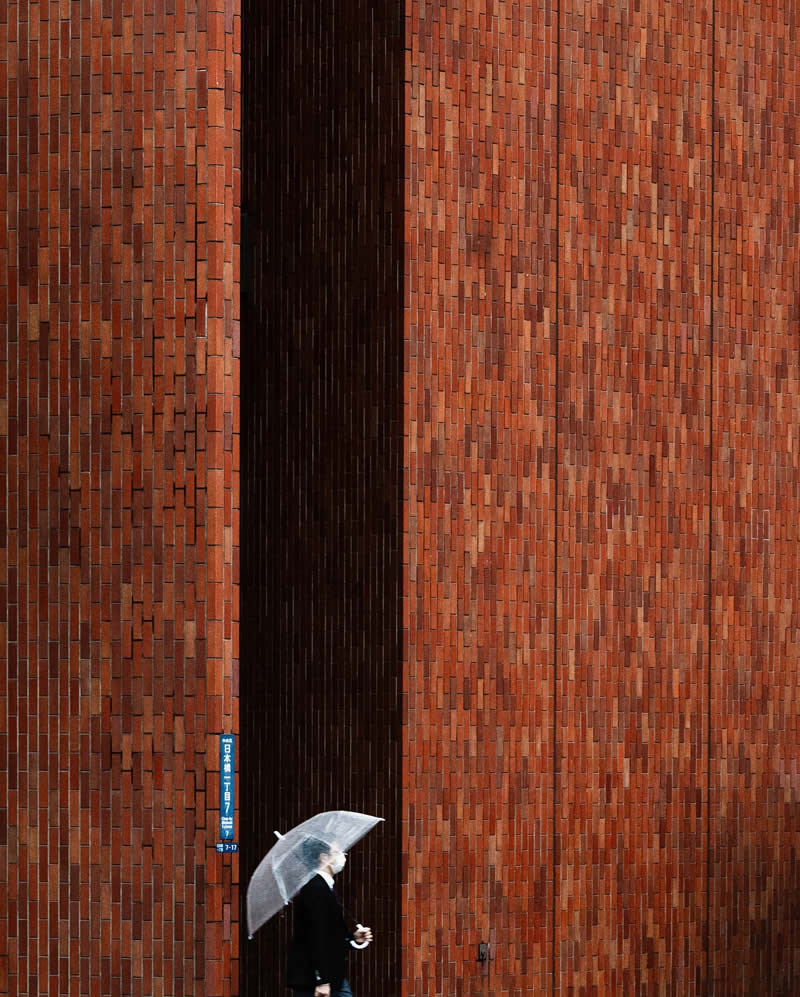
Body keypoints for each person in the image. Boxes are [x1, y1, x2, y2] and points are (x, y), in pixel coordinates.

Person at [287, 837, 373, 997]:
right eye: (337, 852)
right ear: (324, 857)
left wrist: (353, 939)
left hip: (330, 978)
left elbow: (329, 934)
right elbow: (316, 936)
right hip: (317, 981)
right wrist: (322, 980)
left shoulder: (323, 886)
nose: (343, 856)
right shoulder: (315, 888)